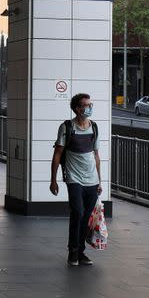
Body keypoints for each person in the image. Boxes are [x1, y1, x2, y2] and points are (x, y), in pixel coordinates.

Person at [50, 93, 103, 267]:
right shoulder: (66, 127)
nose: (89, 108)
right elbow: (57, 153)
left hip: (92, 180)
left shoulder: (94, 127)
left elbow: (96, 155)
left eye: (90, 104)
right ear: (77, 109)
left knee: (86, 216)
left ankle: (80, 252)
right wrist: (54, 180)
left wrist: (100, 181)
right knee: (78, 212)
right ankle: (73, 250)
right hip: (74, 179)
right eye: (86, 105)